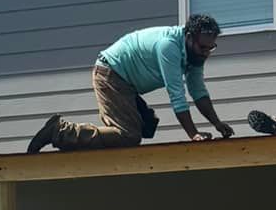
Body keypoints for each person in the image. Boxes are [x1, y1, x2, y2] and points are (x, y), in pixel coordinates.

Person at [27, 15, 235, 152]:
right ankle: (60, 131)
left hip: (126, 83)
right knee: (127, 136)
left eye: (211, 48)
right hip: (111, 74)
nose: (206, 53)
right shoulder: (169, 46)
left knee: (145, 128)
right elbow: (177, 96)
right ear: (189, 37)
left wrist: (217, 123)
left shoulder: (194, 55)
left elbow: (198, 91)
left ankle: (85, 136)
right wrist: (194, 134)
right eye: (203, 47)